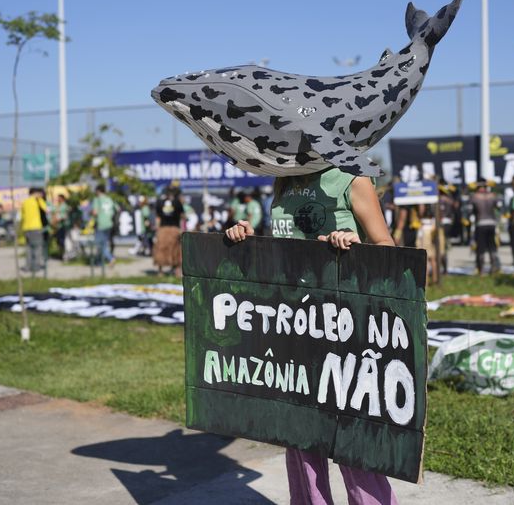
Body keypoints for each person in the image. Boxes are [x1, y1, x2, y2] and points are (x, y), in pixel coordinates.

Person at [225, 166, 397, 505]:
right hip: (294, 322)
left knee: (352, 432)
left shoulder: (351, 177)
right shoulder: (283, 178)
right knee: (300, 432)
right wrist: (248, 239)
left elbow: (387, 246)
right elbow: (286, 251)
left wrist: (355, 244)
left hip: (346, 323)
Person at [469, 179, 501, 274]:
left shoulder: (474, 197)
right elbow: (499, 207)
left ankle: (481, 269)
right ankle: (494, 268)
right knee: (492, 247)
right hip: (492, 223)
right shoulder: (493, 196)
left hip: (480, 223)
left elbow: (469, 211)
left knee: (481, 248)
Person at [154, 187, 184, 277]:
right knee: (175, 250)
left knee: (161, 249)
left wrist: (157, 230)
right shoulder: (177, 202)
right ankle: (176, 271)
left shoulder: (160, 202)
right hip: (174, 229)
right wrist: (181, 229)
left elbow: (158, 218)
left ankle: (160, 271)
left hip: (163, 229)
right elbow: (182, 216)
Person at [20, 187, 47, 273]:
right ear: (36, 193)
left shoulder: (24, 202)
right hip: (36, 227)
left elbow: (22, 216)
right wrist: (40, 199)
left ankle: (28, 267)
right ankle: (36, 267)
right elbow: (46, 208)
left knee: (28, 248)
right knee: (37, 248)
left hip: (26, 228)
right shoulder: (37, 200)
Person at [91, 184, 117, 266]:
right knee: (104, 243)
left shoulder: (97, 199)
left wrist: (90, 213)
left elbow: (95, 212)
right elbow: (115, 209)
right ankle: (99, 262)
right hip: (109, 224)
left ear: (98, 191)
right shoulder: (109, 199)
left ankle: (110, 258)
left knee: (99, 244)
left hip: (101, 224)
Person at [50, 194, 70, 260]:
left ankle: (64, 255)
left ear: (62, 198)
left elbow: (66, 215)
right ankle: (61, 254)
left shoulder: (65, 206)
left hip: (63, 226)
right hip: (58, 226)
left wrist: (59, 219)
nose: (58, 200)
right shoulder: (58, 206)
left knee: (62, 241)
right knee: (59, 241)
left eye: (59, 198)